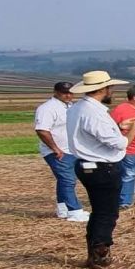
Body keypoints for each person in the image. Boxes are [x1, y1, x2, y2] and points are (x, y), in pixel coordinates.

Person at [66, 70, 135, 269]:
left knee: (98, 212)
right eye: (110, 88)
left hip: (86, 165)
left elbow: (93, 133)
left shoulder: (78, 107)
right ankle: (100, 254)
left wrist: (118, 125)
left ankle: (93, 253)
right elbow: (118, 144)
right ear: (102, 89)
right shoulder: (94, 112)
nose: (112, 91)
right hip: (102, 168)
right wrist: (133, 130)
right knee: (107, 213)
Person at [34, 81, 89, 222]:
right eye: (65, 93)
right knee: (68, 180)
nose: (69, 96)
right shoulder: (47, 108)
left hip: (70, 150)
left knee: (64, 180)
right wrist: (55, 149)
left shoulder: (70, 106)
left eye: (71, 93)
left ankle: (63, 208)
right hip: (56, 151)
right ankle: (74, 211)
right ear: (56, 92)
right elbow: (42, 130)